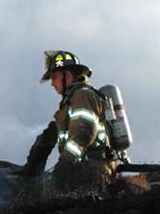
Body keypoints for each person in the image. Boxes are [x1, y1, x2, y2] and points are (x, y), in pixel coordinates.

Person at [23, 50, 114, 192]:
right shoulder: (71, 100)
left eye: (54, 77)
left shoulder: (82, 95)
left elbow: (83, 134)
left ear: (67, 75)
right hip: (83, 171)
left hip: (92, 173)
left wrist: (65, 162)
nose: (52, 83)